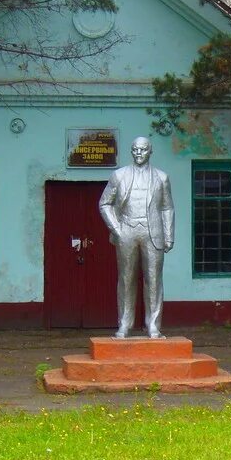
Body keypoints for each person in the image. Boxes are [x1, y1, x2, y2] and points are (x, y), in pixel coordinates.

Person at [99, 136, 174, 339]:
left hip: (153, 232)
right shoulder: (119, 175)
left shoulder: (161, 177)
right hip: (127, 231)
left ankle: (153, 326)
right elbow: (104, 203)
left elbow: (167, 208)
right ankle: (124, 324)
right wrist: (117, 228)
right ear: (131, 151)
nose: (138, 153)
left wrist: (169, 235)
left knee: (154, 280)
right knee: (126, 278)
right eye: (135, 150)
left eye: (143, 150)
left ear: (151, 151)